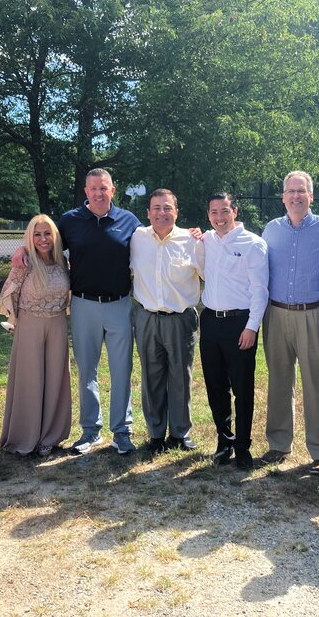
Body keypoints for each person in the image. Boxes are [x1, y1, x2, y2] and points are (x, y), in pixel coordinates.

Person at [260, 171, 319, 472]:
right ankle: (279, 444)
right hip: (277, 314)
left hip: (312, 315)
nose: (296, 196)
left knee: (315, 382)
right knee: (279, 380)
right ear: (282, 196)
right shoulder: (271, 229)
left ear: (311, 196)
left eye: (301, 191)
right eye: (290, 191)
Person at [59, 168, 141, 455]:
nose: (98, 193)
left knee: (122, 370)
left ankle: (122, 431)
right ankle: (91, 430)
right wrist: (22, 252)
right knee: (87, 371)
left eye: (103, 187)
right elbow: (45, 247)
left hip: (119, 304)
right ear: (85, 191)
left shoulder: (129, 220)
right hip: (83, 305)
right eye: (93, 188)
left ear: (113, 190)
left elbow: (154, 243)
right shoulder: (69, 221)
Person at [130, 189, 203, 455]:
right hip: (147, 317)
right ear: (148, 213)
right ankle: (156, 434)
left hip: (180, 319)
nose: (162, 213)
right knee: (151, 376)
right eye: (156, 208)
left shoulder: (193, 241)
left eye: (168, 207)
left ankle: (180, 433)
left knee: (180, 376)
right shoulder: (136, 238)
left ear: (176, 212)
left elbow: (210, 271)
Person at [199, 193, 269, 469]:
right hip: (210, 322)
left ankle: (242, 446)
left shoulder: (253, 244)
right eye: (214, 212)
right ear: (208, 215)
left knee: (242, 388)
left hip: (239, 323)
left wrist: (252, 327)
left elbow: (259, 290)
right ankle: (224, 440)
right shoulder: (206, 240)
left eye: (224, 211)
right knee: (215, 387)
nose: (219, 217)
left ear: (235, 211)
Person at [0, 214, 72, 456]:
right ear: (29, 237)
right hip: (29, 326)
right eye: (37, 234)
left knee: (55, 380)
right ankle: (24, 436)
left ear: (55, 236)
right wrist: (14, 322)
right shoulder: (24, 262)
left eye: (47, 233)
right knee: (30, 381)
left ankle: (50, 436)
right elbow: (8, 295)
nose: (42, 239)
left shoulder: (63, 262)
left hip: (58, 325)